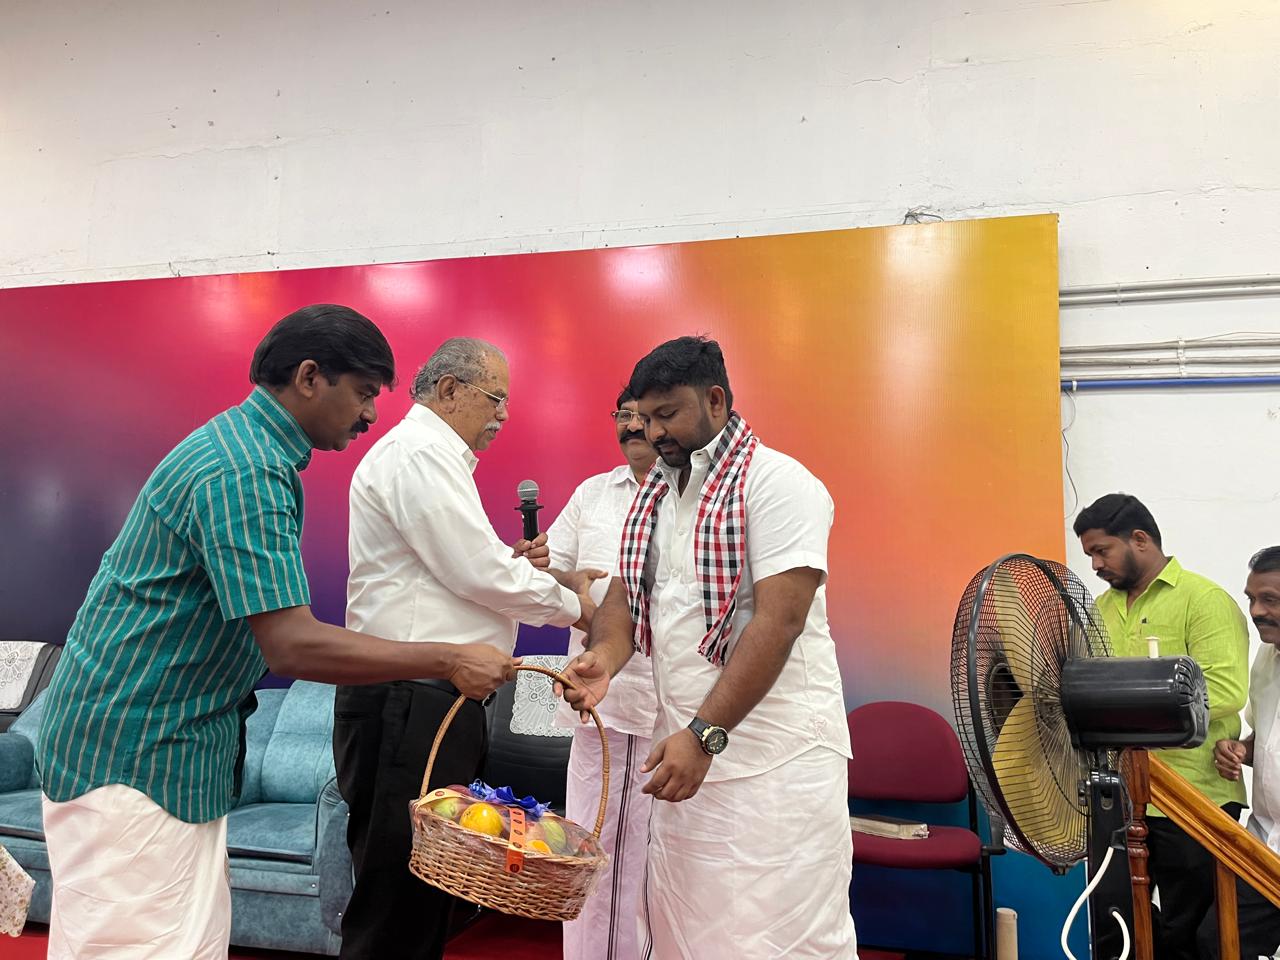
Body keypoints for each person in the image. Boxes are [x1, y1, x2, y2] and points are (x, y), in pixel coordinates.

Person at [35, 305, 517, 960]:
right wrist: (449, 658)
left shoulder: (251, 454)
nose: (371, 414)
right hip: (137, 756)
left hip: (167, 750)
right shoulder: (246, 469)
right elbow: (292, 643)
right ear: (310, 377)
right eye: (364, 392)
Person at [559, 336, 857, 959]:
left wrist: (705, 736)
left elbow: (779, 622)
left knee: (777, 940)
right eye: (644, 417)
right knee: (685, 934)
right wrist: (604, 660)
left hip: (773, 765)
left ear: (716, 400)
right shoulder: (658, 495)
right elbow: (625, 596)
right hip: (685, 759)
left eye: (667, 414)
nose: (652, 432)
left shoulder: (779, 484)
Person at [337, 337, 601, 960]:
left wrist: (512, 567)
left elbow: (456, 574)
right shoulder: (419, 453)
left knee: (427, 892)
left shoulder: (433, 458)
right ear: (451, 390)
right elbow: (476, 573)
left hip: (431, 700)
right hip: (409, 698)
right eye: (495, 398)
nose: (503, 415)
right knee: (397, 894)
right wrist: (581, 606)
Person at [1074, 493, 1249, 960]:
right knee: (1117, 925)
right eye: (1090, 554)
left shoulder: (1204, 600)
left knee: (1187, 931)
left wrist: (1124, 710)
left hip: (1193, 797)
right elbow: (1081, 685)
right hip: (1118, 796)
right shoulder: (1099, 610)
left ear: (1140, 539)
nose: (1095, 565)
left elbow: (1225, 690)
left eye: (1101, 551)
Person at [546, 388, 659, 960]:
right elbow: (550, 572)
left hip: (670, 713)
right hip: (599, 707)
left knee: (658, 862)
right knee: (591, 853)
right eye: (623, 416)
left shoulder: (692, 497)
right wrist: (566, 582)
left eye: (644, 416)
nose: (632, 426)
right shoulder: (592, 493)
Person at [1203, 545, 1280, 959]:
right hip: (1264, 844)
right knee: (1217, 941)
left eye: (1270, 600)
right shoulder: (1266, 658)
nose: (1256, 611)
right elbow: (1264, 736)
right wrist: (1240, 750)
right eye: (1252, 598)